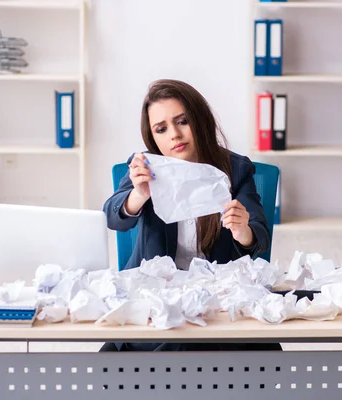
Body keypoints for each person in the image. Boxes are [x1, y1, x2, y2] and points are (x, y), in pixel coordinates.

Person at [102, 79, 280, 352]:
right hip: (157, 299)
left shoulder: (234, 168)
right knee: (179, 340)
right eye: (161, 129)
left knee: (199, 340)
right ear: (153, 137)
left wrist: (242, 229)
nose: (174, 134)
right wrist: (138, 194)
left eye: (182, 121)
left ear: (199, 120)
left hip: (217, 299)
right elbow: (113, 217)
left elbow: (260, 235)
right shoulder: (146, 166)